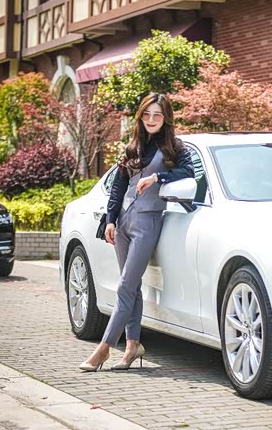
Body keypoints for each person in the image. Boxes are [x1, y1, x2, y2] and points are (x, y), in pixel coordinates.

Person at [79, 92, 194, 372]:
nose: (151, 120)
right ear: (140, 117)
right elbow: (118, 187)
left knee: (125, 287)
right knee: (131, 287)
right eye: (147, 114)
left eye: (157, 115)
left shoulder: (176, 148)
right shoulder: (133, 147)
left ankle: (104, 348)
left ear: (166, 118)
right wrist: (110, 220)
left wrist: (158, 177)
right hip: (123, 223)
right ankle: (133, 345)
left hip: (148, 222)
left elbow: (189, 173)